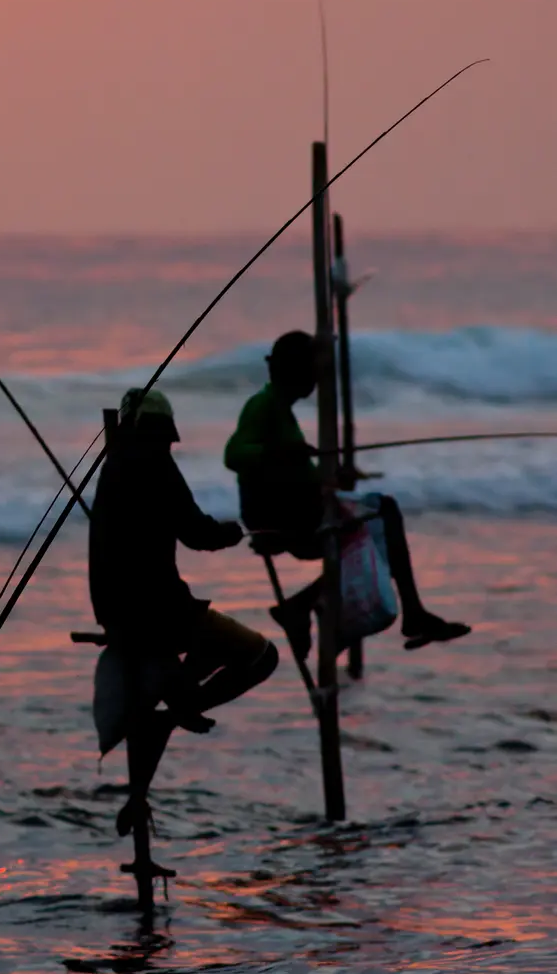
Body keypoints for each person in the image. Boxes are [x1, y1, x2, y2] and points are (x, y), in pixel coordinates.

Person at [88, 388, 278, 820]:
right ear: (160, 431)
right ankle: (183, 705)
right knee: (263, 656)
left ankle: (140, 789)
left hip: (117, 612)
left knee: (173, 676)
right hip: (161, 612)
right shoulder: (154, 462)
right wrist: (231, 532)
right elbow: (198, 534)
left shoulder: (114, 464)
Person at [224, 329, 470, 653]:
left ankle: (305, 605)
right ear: (296, 370)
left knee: (380, 530)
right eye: (313, 369)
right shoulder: (263, 405)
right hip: (280, 517)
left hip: (295, 509)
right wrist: (280, 454)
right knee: (384, 512)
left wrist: (333, 480)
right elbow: (234, 454)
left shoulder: (283, 412)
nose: (317, 377)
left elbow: (297, 475)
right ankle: (409, 613)